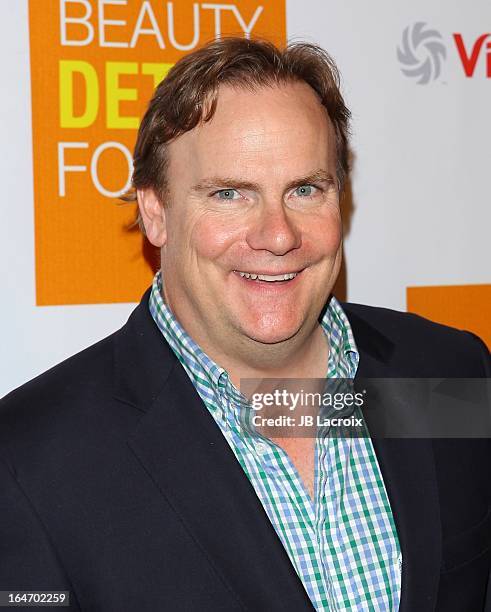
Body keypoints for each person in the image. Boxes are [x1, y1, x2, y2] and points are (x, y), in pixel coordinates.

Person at [0, 37, 489, 612]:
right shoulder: (29, 462)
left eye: (305, 189)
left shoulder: (451, 373)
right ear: (155, 211)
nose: (278, 235)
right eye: (230, 194)